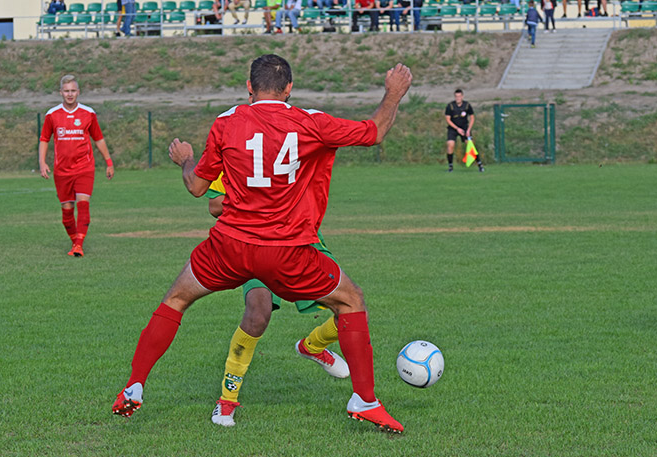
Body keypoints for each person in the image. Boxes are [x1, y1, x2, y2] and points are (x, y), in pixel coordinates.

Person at [112, 54, 412, 434]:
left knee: (175, 300)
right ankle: (364, 399)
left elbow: (197, 188)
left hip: (229, 246)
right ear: (289, 89)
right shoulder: (310, 122)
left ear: (249, 87)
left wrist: (186, 160)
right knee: (351, 300)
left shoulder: (225, 122)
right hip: (286, 250)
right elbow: (375, 132)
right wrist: (394, 93)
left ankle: (135, 385)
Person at [205, 173, 350, 427]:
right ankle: (226, 401)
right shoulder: (238, 150)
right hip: (255, 243)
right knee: (257, 314)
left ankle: (313, 346)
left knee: (349, 306)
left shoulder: (295, 143)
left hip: (301, 241)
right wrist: (255, 202)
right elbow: (215, 205)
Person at [39, 75, 114, 257]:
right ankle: (75, 241)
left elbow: (98, 138)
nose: (70, 94)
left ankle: (78, 245)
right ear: (61, 93)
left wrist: (109, 162)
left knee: (83, 204)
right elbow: (44, 139)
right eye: (66, 91)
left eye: (73, 90)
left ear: (78, 92)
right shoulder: (52, 115)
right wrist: (42, 162)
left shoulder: (88, 113)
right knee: (66, 211)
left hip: (84, 167)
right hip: (62, 170)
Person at [445, 88, 484, 173]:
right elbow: (448, 119)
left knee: (471, 145)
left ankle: (480, 165)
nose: (458, 98)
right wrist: (457, 129)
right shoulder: (450, 106)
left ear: (462, 96)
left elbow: (472, 117)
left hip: (465, 128)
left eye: (459, 96)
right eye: (456, 96)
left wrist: (468, 129)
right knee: (450, 144)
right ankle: (450, 166)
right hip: (453, 129)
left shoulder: (467, 105)